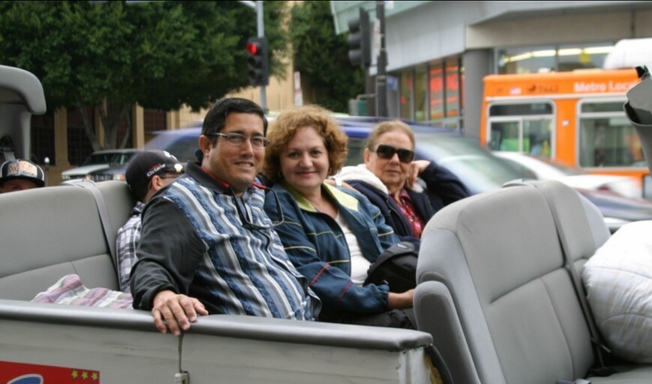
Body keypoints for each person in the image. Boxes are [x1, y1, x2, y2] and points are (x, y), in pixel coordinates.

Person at [130, 97, 320, 336]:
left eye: (258, 140)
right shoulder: (179, 201)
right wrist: (163, 295)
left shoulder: (250, 190)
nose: (249, 150)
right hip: (261, 352)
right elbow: (151, 265)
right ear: (207, 145)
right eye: (236, 138)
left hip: (311, 329)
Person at [263, 105, 415, 328]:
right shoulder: (278, 204)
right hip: (339, 320)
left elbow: (393, 250)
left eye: (315, 152)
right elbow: (313, 276)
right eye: (294, 154)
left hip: (385, 301)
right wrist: (394, 299)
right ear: (279, 161)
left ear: (329, 155)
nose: (306, 163)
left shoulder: (353, 199)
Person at [333, 120, 469, 239]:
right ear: (368, 157)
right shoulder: (356, 195)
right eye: (386, 152)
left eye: (404, 155)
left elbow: (464, 205)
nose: (395, 160)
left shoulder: (419, 193)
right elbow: (387, 244)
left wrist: (429, 169)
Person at [116, 150, 184, 293]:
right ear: (157, 182)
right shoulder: (136, 230)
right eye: (178, 178)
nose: (185, 184)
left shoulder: (181, 219)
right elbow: (135, 294)